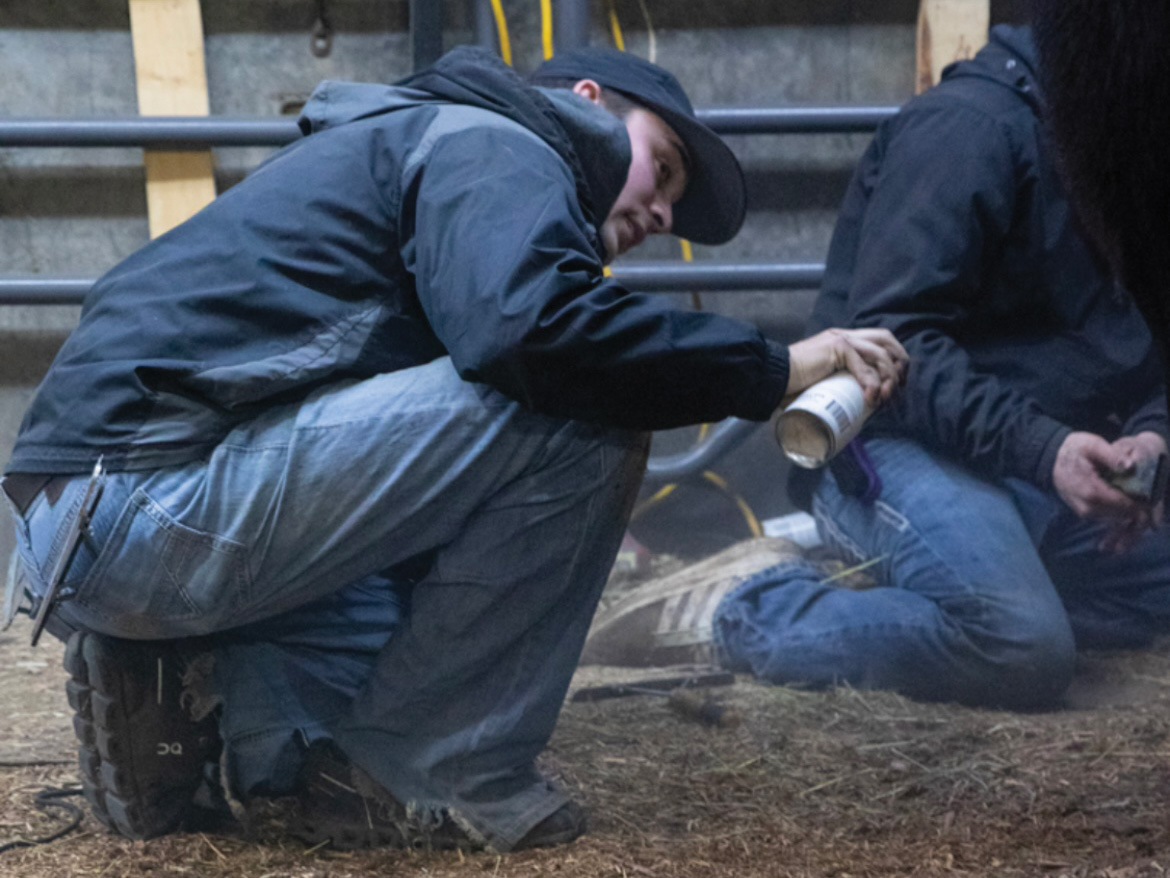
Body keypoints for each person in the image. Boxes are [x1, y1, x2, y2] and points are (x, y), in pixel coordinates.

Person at [0, 46, 905, 852]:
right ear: (588, 101)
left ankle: (188, 690)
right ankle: (424, 777)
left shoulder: (409, 147)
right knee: (583, 408)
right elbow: (539, 336)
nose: (663, 212)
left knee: (350, 713)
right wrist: (779, 365)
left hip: (90, 518)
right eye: (662, 168)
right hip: (155, 502)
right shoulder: (499, 143)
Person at [706, 25, 1170, 710]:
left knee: (1045, 619)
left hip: (1046, 464)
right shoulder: (967, 129)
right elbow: (893, 345)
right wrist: (1046, 450)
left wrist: (1153, 433)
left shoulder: (1121, 153)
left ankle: (966, 591)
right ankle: (743, 609)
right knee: (1020, 647)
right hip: (902, 443)